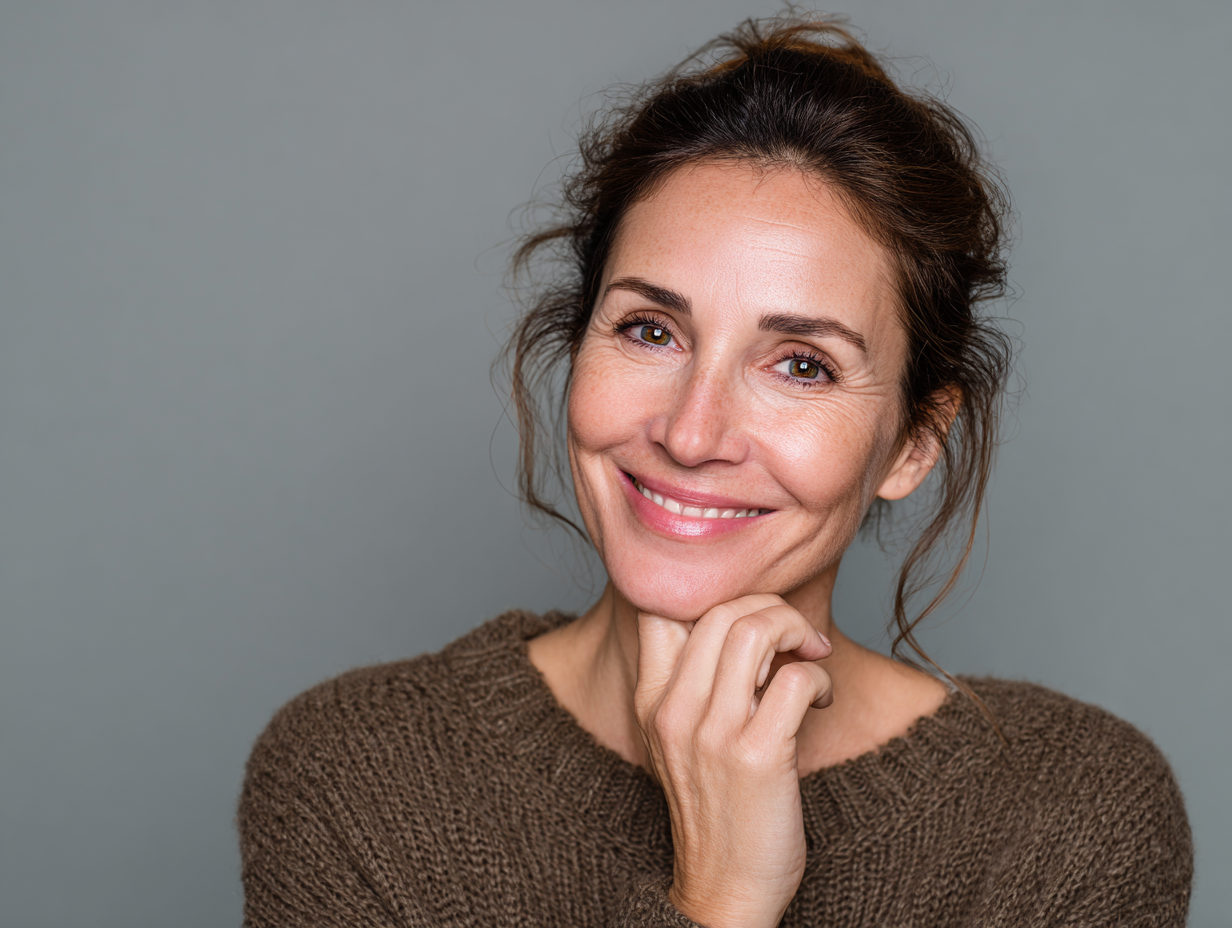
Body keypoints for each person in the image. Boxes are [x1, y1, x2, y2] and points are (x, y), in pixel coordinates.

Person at [238, 16, 1192, 927]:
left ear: (913, 443)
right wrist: (722, 898)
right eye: (650, 331)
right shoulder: (352, 776)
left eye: (802, 365)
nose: (693, 435)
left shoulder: (1070, 816)